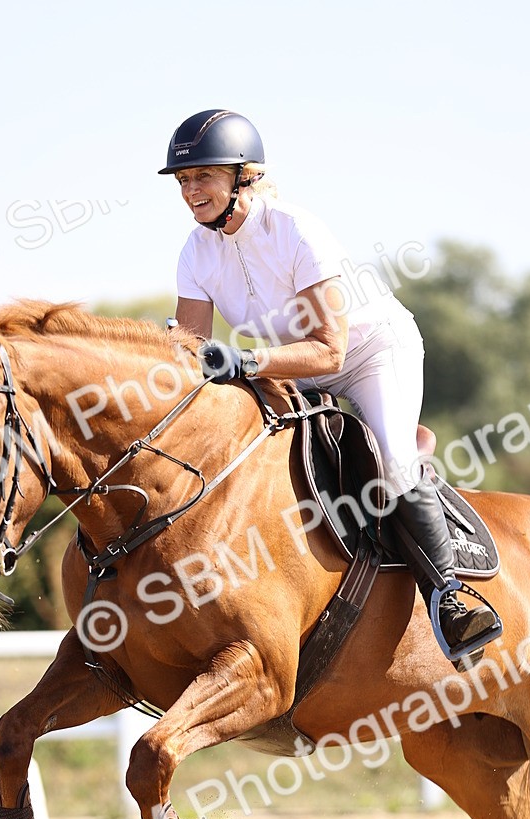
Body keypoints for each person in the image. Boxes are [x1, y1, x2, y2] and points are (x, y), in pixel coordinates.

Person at [159, 108, 499, 669]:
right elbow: (192, 344)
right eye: (183, 181)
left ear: (243, 176)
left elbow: (329, 349)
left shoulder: (295, 229)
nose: (190, 191)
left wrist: (244, 361)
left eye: (203, 177)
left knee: (390, 463)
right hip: (291, 366)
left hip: (368, 353)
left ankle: (451, 598)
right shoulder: (196, 252)